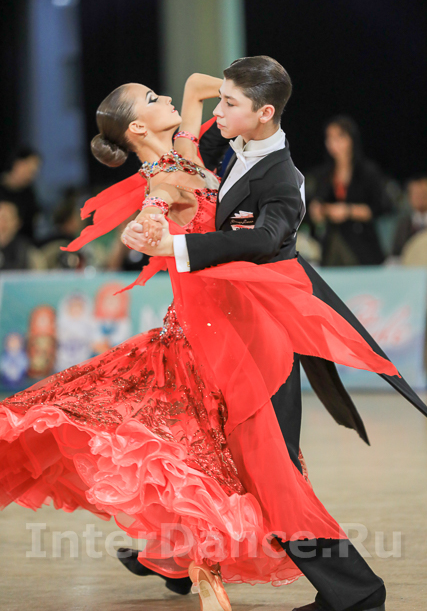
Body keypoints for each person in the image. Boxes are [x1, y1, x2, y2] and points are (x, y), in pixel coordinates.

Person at [0, 60, 424, 611]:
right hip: (214, 336)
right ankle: (202, 562)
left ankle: (181, 559)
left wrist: (247, 84)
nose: (174, 99)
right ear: (137, 128)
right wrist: (149, 226)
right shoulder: (167, 175)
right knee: (218, 459)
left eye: (229, 102)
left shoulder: (190, 150)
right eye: (152, 97)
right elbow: (157, 206)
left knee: (230, 460)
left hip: (238, 331)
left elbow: (197, 89)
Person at [308, 117, 391, 267]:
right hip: (331, 244)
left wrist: (348, 211)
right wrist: (317, 211)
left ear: (351, 138)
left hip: (362, 246)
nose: (333, 143)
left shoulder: (367, 172)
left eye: (339, 136)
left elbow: (380, 207)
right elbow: (316, 204)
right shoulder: (323, 174)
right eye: (329, 138)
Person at [0, 148, 42, 242]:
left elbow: (32, 227)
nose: (32, 173)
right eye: (29, 166)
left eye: (35, 170)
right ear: (17, 163)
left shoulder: (29, 195)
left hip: (18, 244)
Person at [391, 174, 427, 257]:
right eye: (416, 194)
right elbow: (395, 254)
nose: (420, 198)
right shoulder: (403, 224)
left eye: (423, 194)